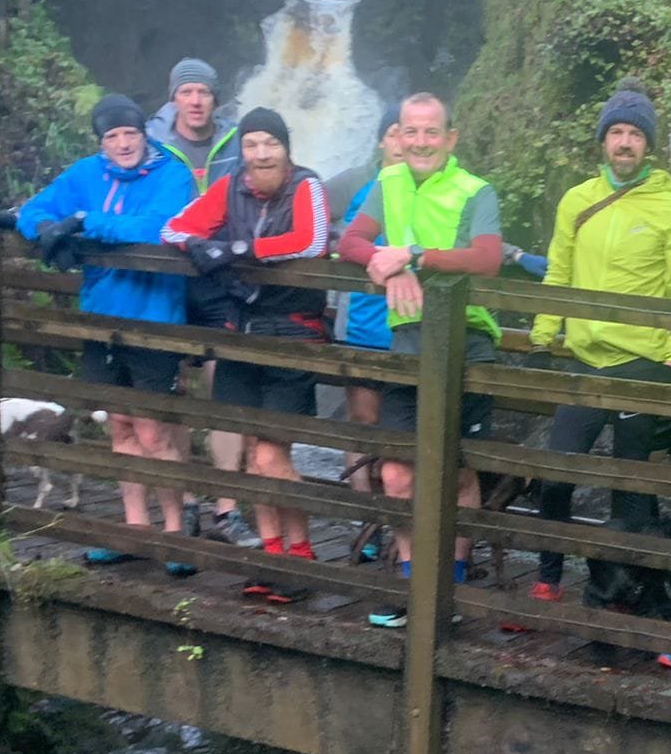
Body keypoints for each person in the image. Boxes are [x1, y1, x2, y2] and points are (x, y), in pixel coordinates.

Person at [0, 94, 199, 571]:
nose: (122, 144)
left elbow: (160, 227)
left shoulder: (171, 174)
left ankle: (177, 534)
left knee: (154, 430)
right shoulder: (86, 173)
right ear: (101, 142)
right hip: (99, 316)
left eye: (130, 135)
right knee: (119, 424)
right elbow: (36, 209)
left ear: (145, 135)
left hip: (153, 316)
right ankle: (135, 530)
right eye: (112, 137)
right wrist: (48, 229)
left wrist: (84, 222)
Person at [334, 94, 505, 628]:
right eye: (412, 132)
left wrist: (414, 256)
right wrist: (386, 266)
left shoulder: (476, 190)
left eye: (432, 132)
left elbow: (488, 259)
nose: (421, 142)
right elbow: (351, 241)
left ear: (450, 138)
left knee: (454, 470)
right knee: (397, 472)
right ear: (399, 137)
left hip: (467, 341)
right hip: (408, 342)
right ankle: (414, 589)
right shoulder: (388, 184)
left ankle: (447, 590)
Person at [525, 81, 671, 605]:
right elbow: (560, 269)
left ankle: (628, 588)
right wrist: (542, 330)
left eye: (635, 134)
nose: (624, 142)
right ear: (602, 140)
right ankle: (549, 572)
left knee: (630, 488)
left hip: (640, 361)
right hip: (583, 358)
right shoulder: (577, 200)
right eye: (616, 132)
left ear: (649, 145)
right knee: (557, 474)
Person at [161, 108, 330, 603]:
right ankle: (271, 556)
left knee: (270, 453)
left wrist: (237, 247)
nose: (261, 154)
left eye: (270, 144)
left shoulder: (307, 187)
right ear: (243, 150)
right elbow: (174, 229)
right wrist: (197, 244)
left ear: (286, 148)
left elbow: (313, 241)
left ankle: (299, 556)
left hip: (293, 335)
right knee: (256, 457)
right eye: (252, 144)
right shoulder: (229, 186)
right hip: (243, 333)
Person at [147, 56, 253, 547]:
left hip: (220, 279)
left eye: (204, 93)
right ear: (173, 97)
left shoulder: (238, 143)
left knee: (226, 388)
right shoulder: (147, 143)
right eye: (186, 92)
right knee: (172, 391)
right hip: (166, 280)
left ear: (216, 98)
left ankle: (227, 507)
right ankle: (185, 502)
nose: (195, 101)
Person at [325, 110, 406, 549]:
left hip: (410, 326)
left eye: (407, 133)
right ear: (380, 141)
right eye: (393, 133)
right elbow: (315, 219)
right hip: (357, 321)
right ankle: (367, 521)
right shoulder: (352, 182)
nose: (400, 142)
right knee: (362, 421)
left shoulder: (427, 186)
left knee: (402, 429)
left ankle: (399, 523)